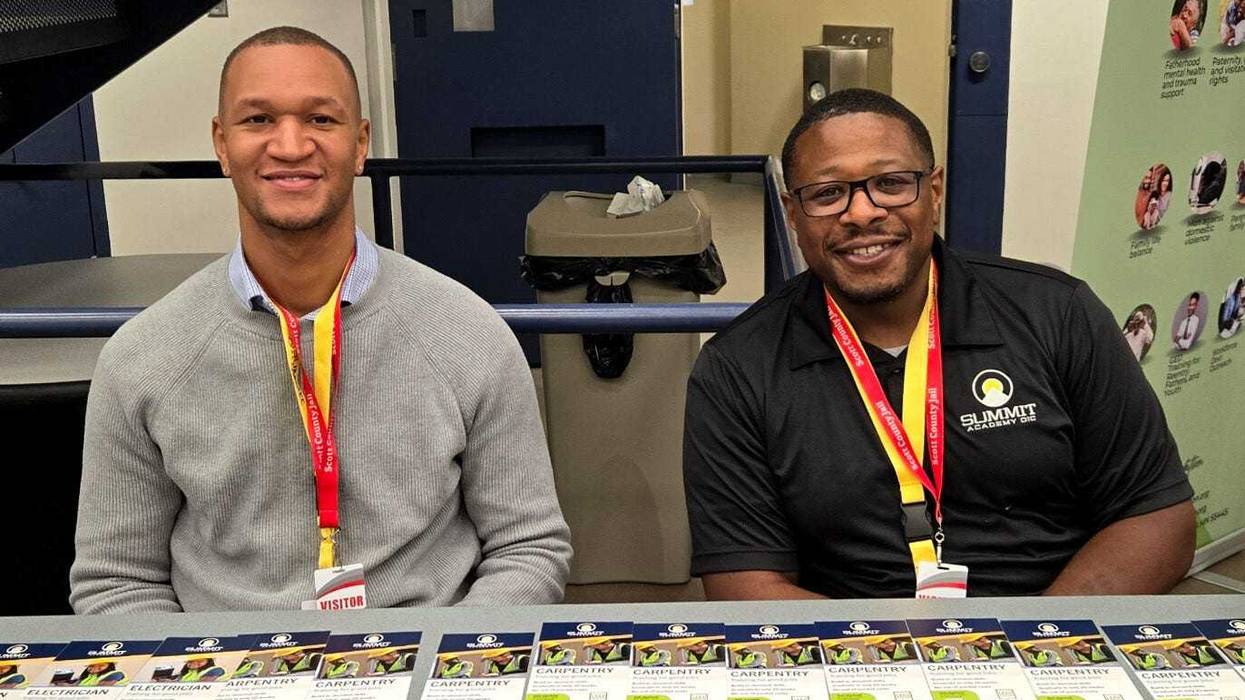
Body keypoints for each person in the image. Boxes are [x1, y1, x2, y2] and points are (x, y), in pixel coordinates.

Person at [69, 25, 571, 613]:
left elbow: (528, 548)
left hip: (416, 662)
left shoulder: (468, 333)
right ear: (221, 142)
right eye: (258, 120)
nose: (289, 146)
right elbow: (116, 583)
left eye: (321, 120)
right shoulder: (142, 359)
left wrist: (441, 664)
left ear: (360, 144)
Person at [682, 88, 1195, 600]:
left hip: (1053, 629)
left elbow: (1156, 516)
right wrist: (896, 659)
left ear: (935, 190)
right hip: (857, 651)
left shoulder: (1057, 313)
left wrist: (1033, 647)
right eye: (827, 193)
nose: (861, 212)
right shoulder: (738, 367)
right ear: (794, 215)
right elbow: (744, 582)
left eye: (891, 183)